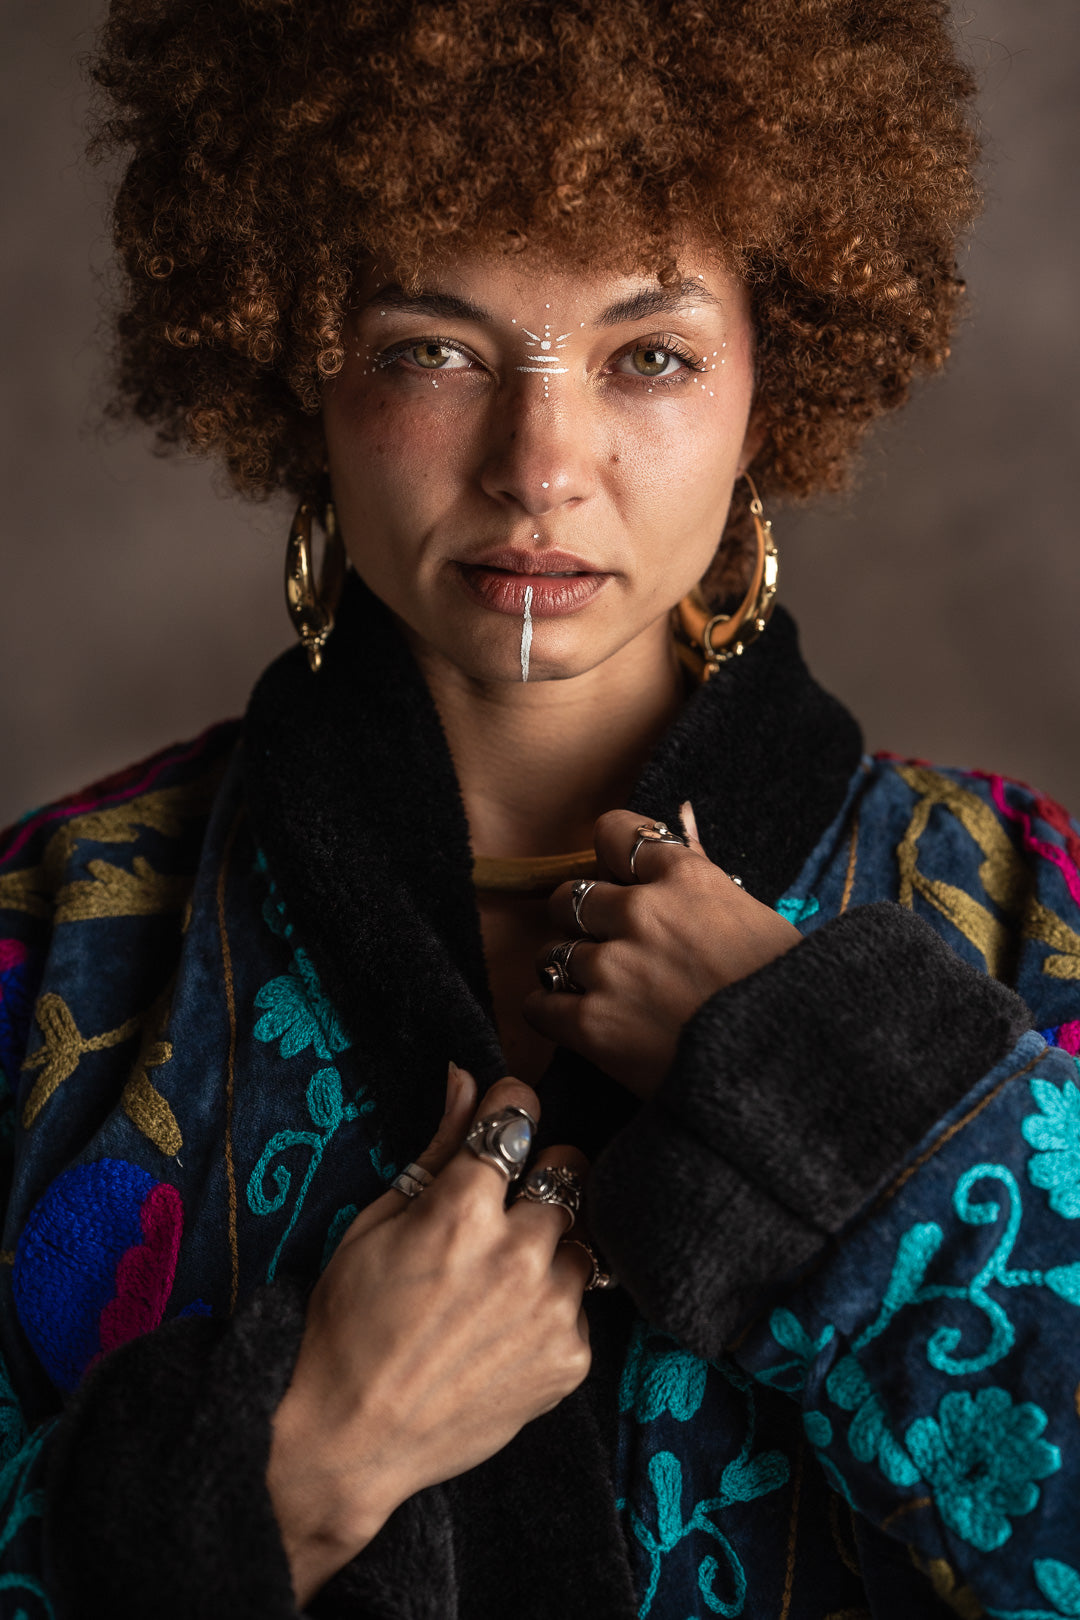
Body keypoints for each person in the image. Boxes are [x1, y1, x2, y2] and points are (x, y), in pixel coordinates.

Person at [2, 1, 1078, 1615]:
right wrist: (300, 1461)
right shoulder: (51, 942)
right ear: (299, 369)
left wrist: (827, 1082)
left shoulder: (1029, 913)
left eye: (649, 355)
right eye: (432, 348)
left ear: (772, 380)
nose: (539, 462)